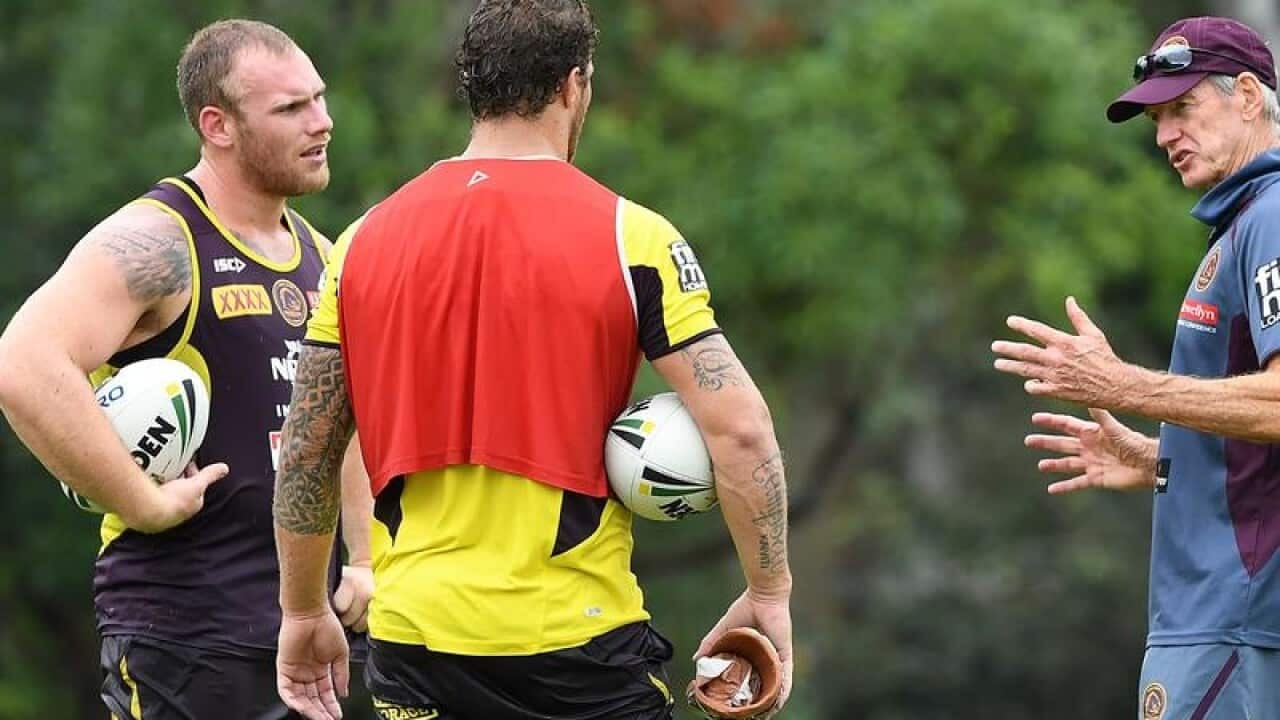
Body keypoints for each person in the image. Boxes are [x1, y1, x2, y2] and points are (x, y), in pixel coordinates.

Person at [270, 1, 793, 719]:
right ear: (575, 84)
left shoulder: (359, 244)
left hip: (414, 643)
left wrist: (302, 611)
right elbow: (740, 431)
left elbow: (306, 452)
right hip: (573, 648)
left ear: (473, 88)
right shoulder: (629, 236)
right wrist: (768, 593)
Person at [0, 19, 373, 720]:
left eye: (319, 99)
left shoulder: (322, 254)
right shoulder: (159, 239)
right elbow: (22, 364)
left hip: (304, 635)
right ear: (218, 125)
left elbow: (338, 418)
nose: (322, 122)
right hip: (186, 637)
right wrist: (140, 501)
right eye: (291, 108)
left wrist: (363, 556)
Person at [992, 15, 1280, 720]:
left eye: (1182, 108)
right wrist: (1164, 460)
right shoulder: (1244, 220)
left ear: (1248, 95)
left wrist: (1123, 385)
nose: (1164, 136)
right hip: (1218, 623)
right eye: (1156, 119)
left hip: (1233, 624)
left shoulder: (1273, 215)